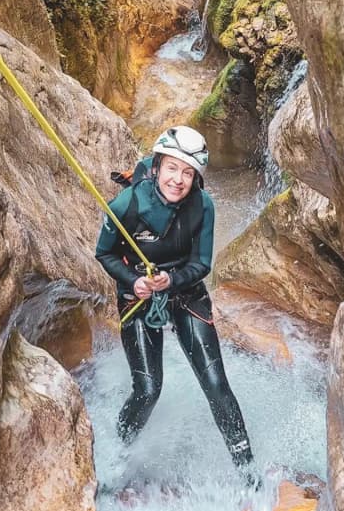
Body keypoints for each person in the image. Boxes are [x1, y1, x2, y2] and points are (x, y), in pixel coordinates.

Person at [95, 125, 254, 469]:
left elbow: (201, 264)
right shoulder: (127, 203)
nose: (178, 180)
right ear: (156, 167)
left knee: (216, 384)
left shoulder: (203, 206)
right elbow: (104, 254)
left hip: (185, 290)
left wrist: (172, 279)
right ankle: (115, 456)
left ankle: (247, 469)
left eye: (187, 172)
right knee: (149, 390)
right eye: (171, 168)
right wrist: (133, 281)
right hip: (139, 294)